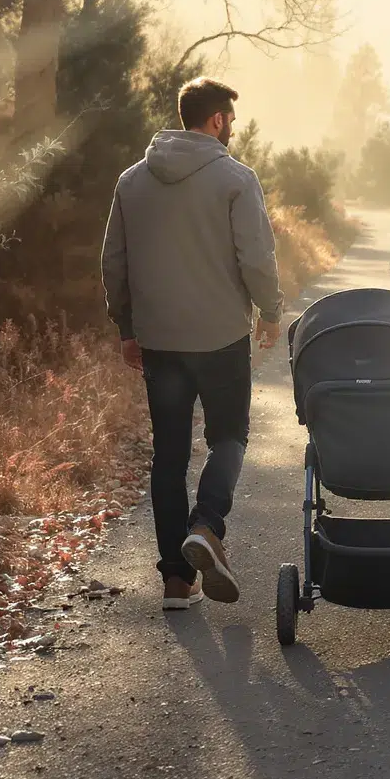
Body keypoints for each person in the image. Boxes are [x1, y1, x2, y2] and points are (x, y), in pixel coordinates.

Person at [101, 77, 284, 609]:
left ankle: (176, 581)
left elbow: (113, 263)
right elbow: (256, 257)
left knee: (170, 454)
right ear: (217, 120)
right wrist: (271, 311)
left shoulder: (131, 181)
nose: (233, 130)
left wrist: (126, 328)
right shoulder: (236, 178)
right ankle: (206, 525)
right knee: (229, 436)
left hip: (159, 339)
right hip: (222, 336)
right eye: (232, 120)